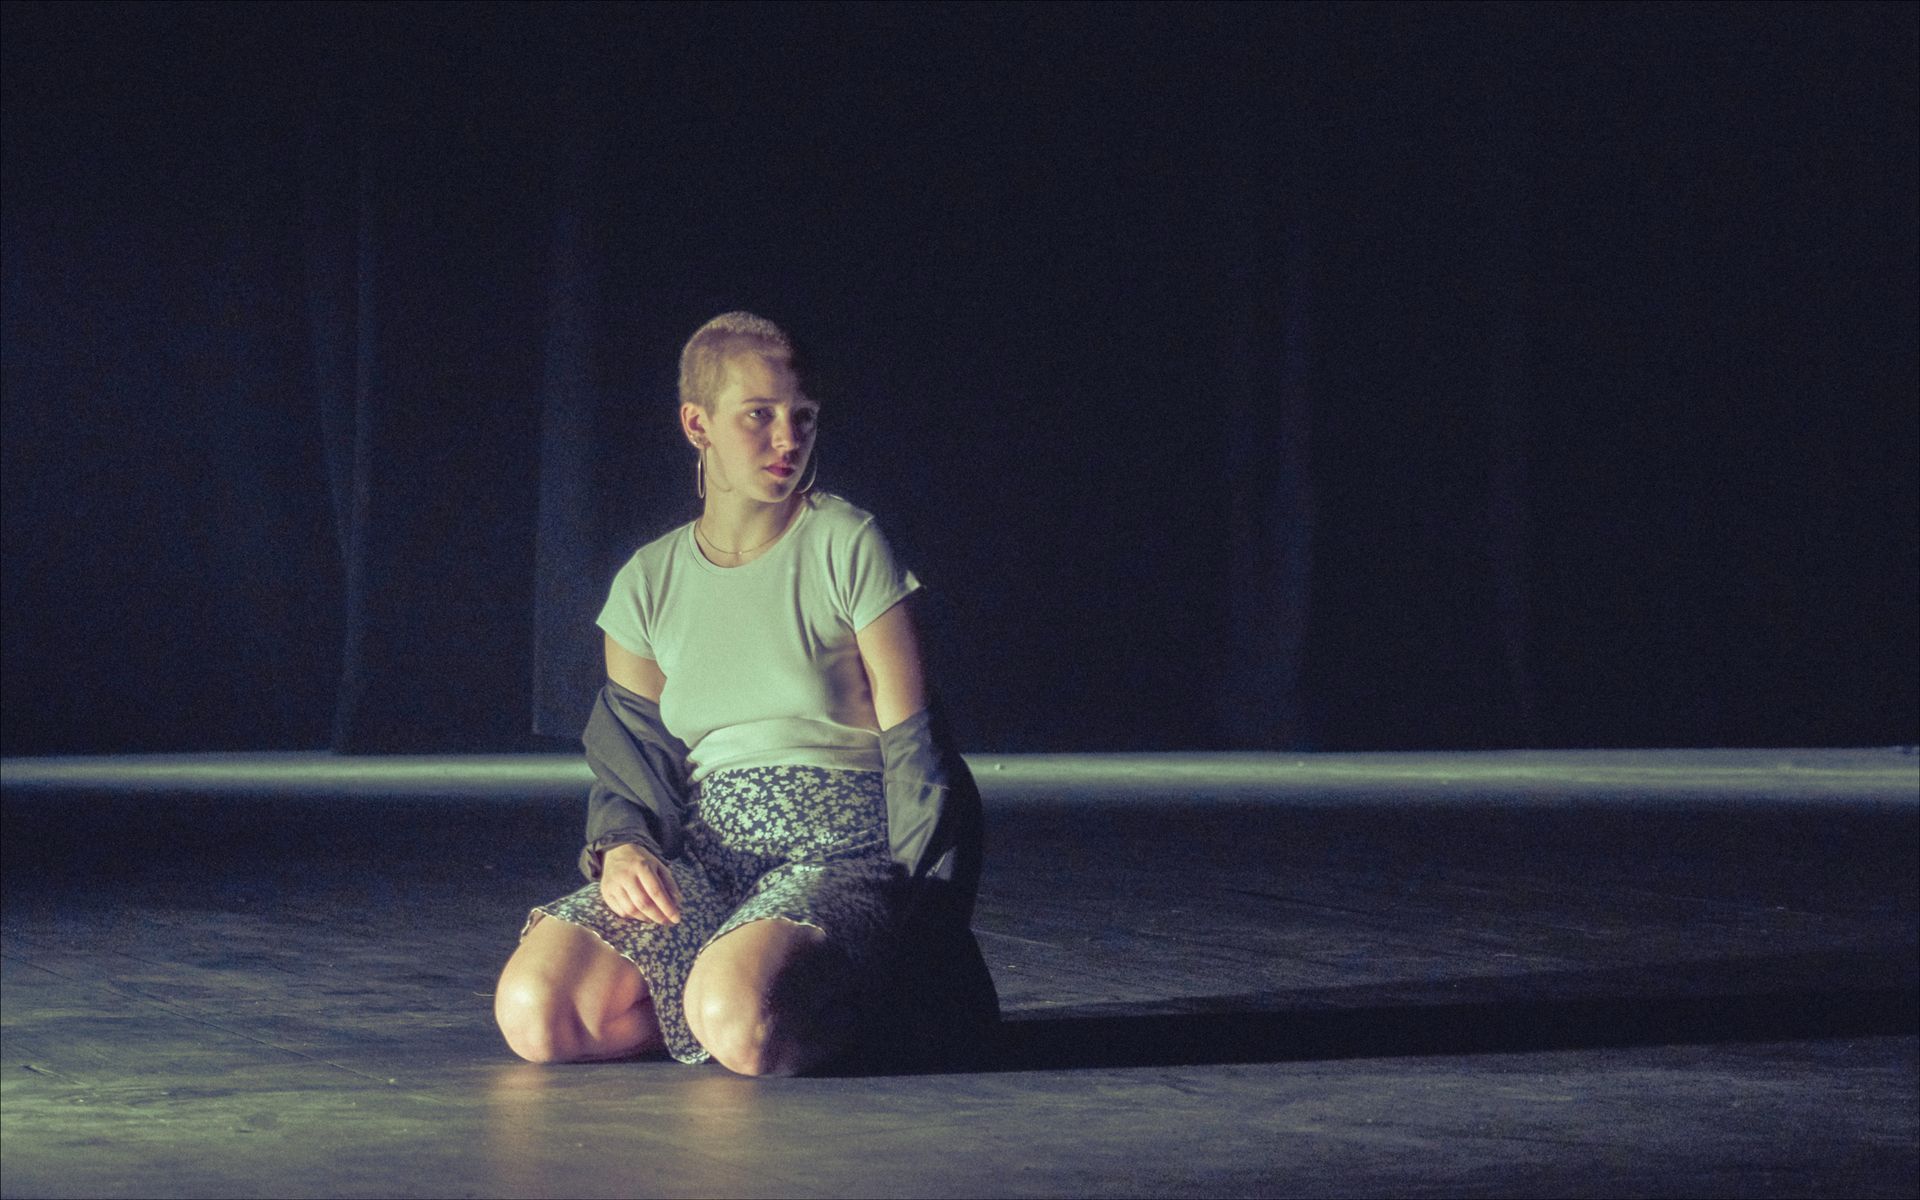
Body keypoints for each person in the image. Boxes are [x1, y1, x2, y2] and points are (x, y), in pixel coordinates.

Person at [493, 311, 995, 1075]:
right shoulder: (646, 584)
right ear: (698, 423)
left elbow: (917, 748)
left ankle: (791, 995)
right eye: (758, 416)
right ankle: (725, 986)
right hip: (711, 853)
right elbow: (636, 765)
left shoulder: (846, 543)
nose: (787, 440)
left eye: (803, 417)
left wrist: (929, 922)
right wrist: (625, 846)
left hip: (842, 854)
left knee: (741, 1019)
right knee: (539, 1014)